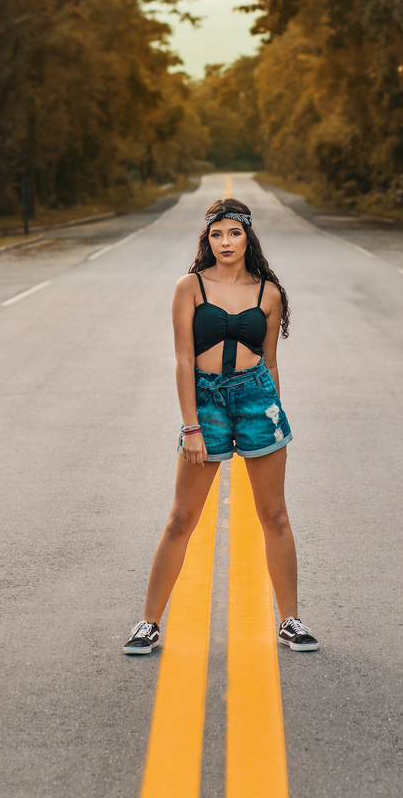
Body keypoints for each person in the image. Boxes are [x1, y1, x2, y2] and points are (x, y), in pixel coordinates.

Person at [123, 198, 318, 655]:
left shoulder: (268, 293)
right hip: (206, 402)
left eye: (233, 233)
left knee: (274, 515)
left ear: (248, 236)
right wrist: (190, 426)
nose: (225, 242)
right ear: (206, 239)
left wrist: (274, 417)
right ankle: (148, 623)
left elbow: (270, 361)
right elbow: (183, 359)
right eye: (216, 234)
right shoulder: (189, 287)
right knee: (181, 518)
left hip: (257, 400)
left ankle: (290, 620)